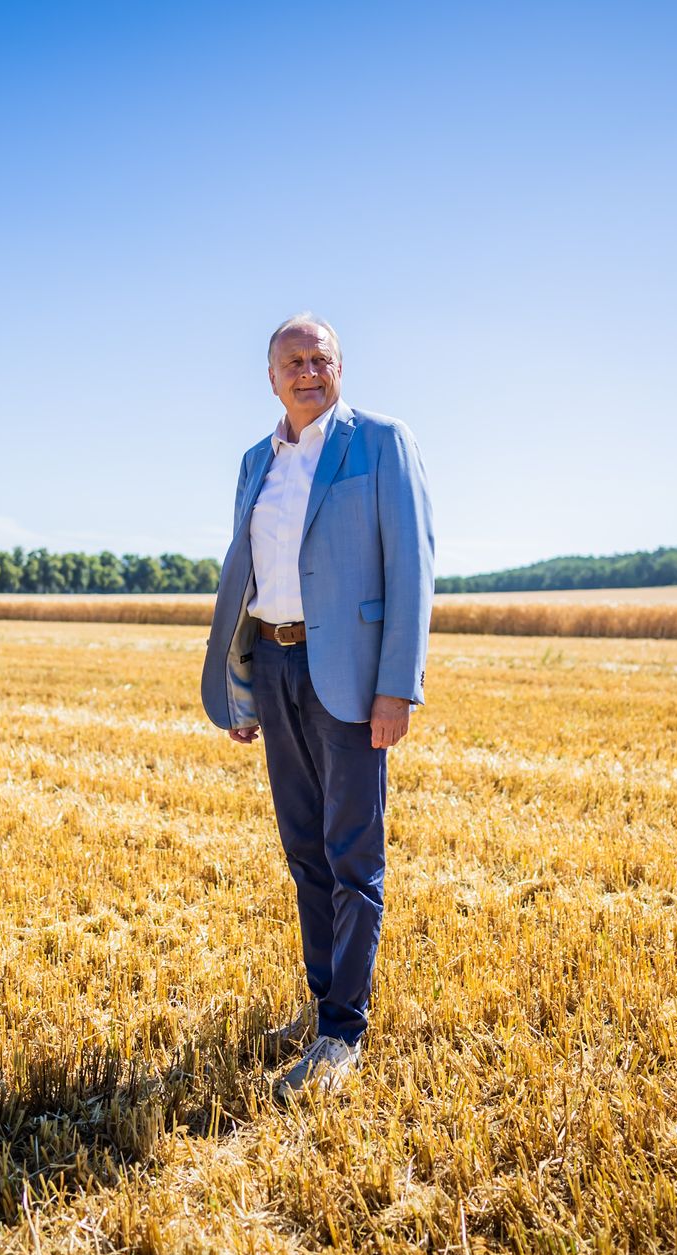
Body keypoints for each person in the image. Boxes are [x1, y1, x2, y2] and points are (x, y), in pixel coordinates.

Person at [199, 313, 435, 1100]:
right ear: (271, 378)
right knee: (303, 851)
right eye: (292, 360)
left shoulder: (380, 442)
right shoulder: (253, 462)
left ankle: (343, 1032)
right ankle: (320, 1002)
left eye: (320, 358)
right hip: (274, 662)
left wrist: (397, 684)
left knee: (352, 859)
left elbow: (413, 567)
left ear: (339, 367)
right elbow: (246, 577)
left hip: (349, 673)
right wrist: (241, 684)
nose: (307, 370)